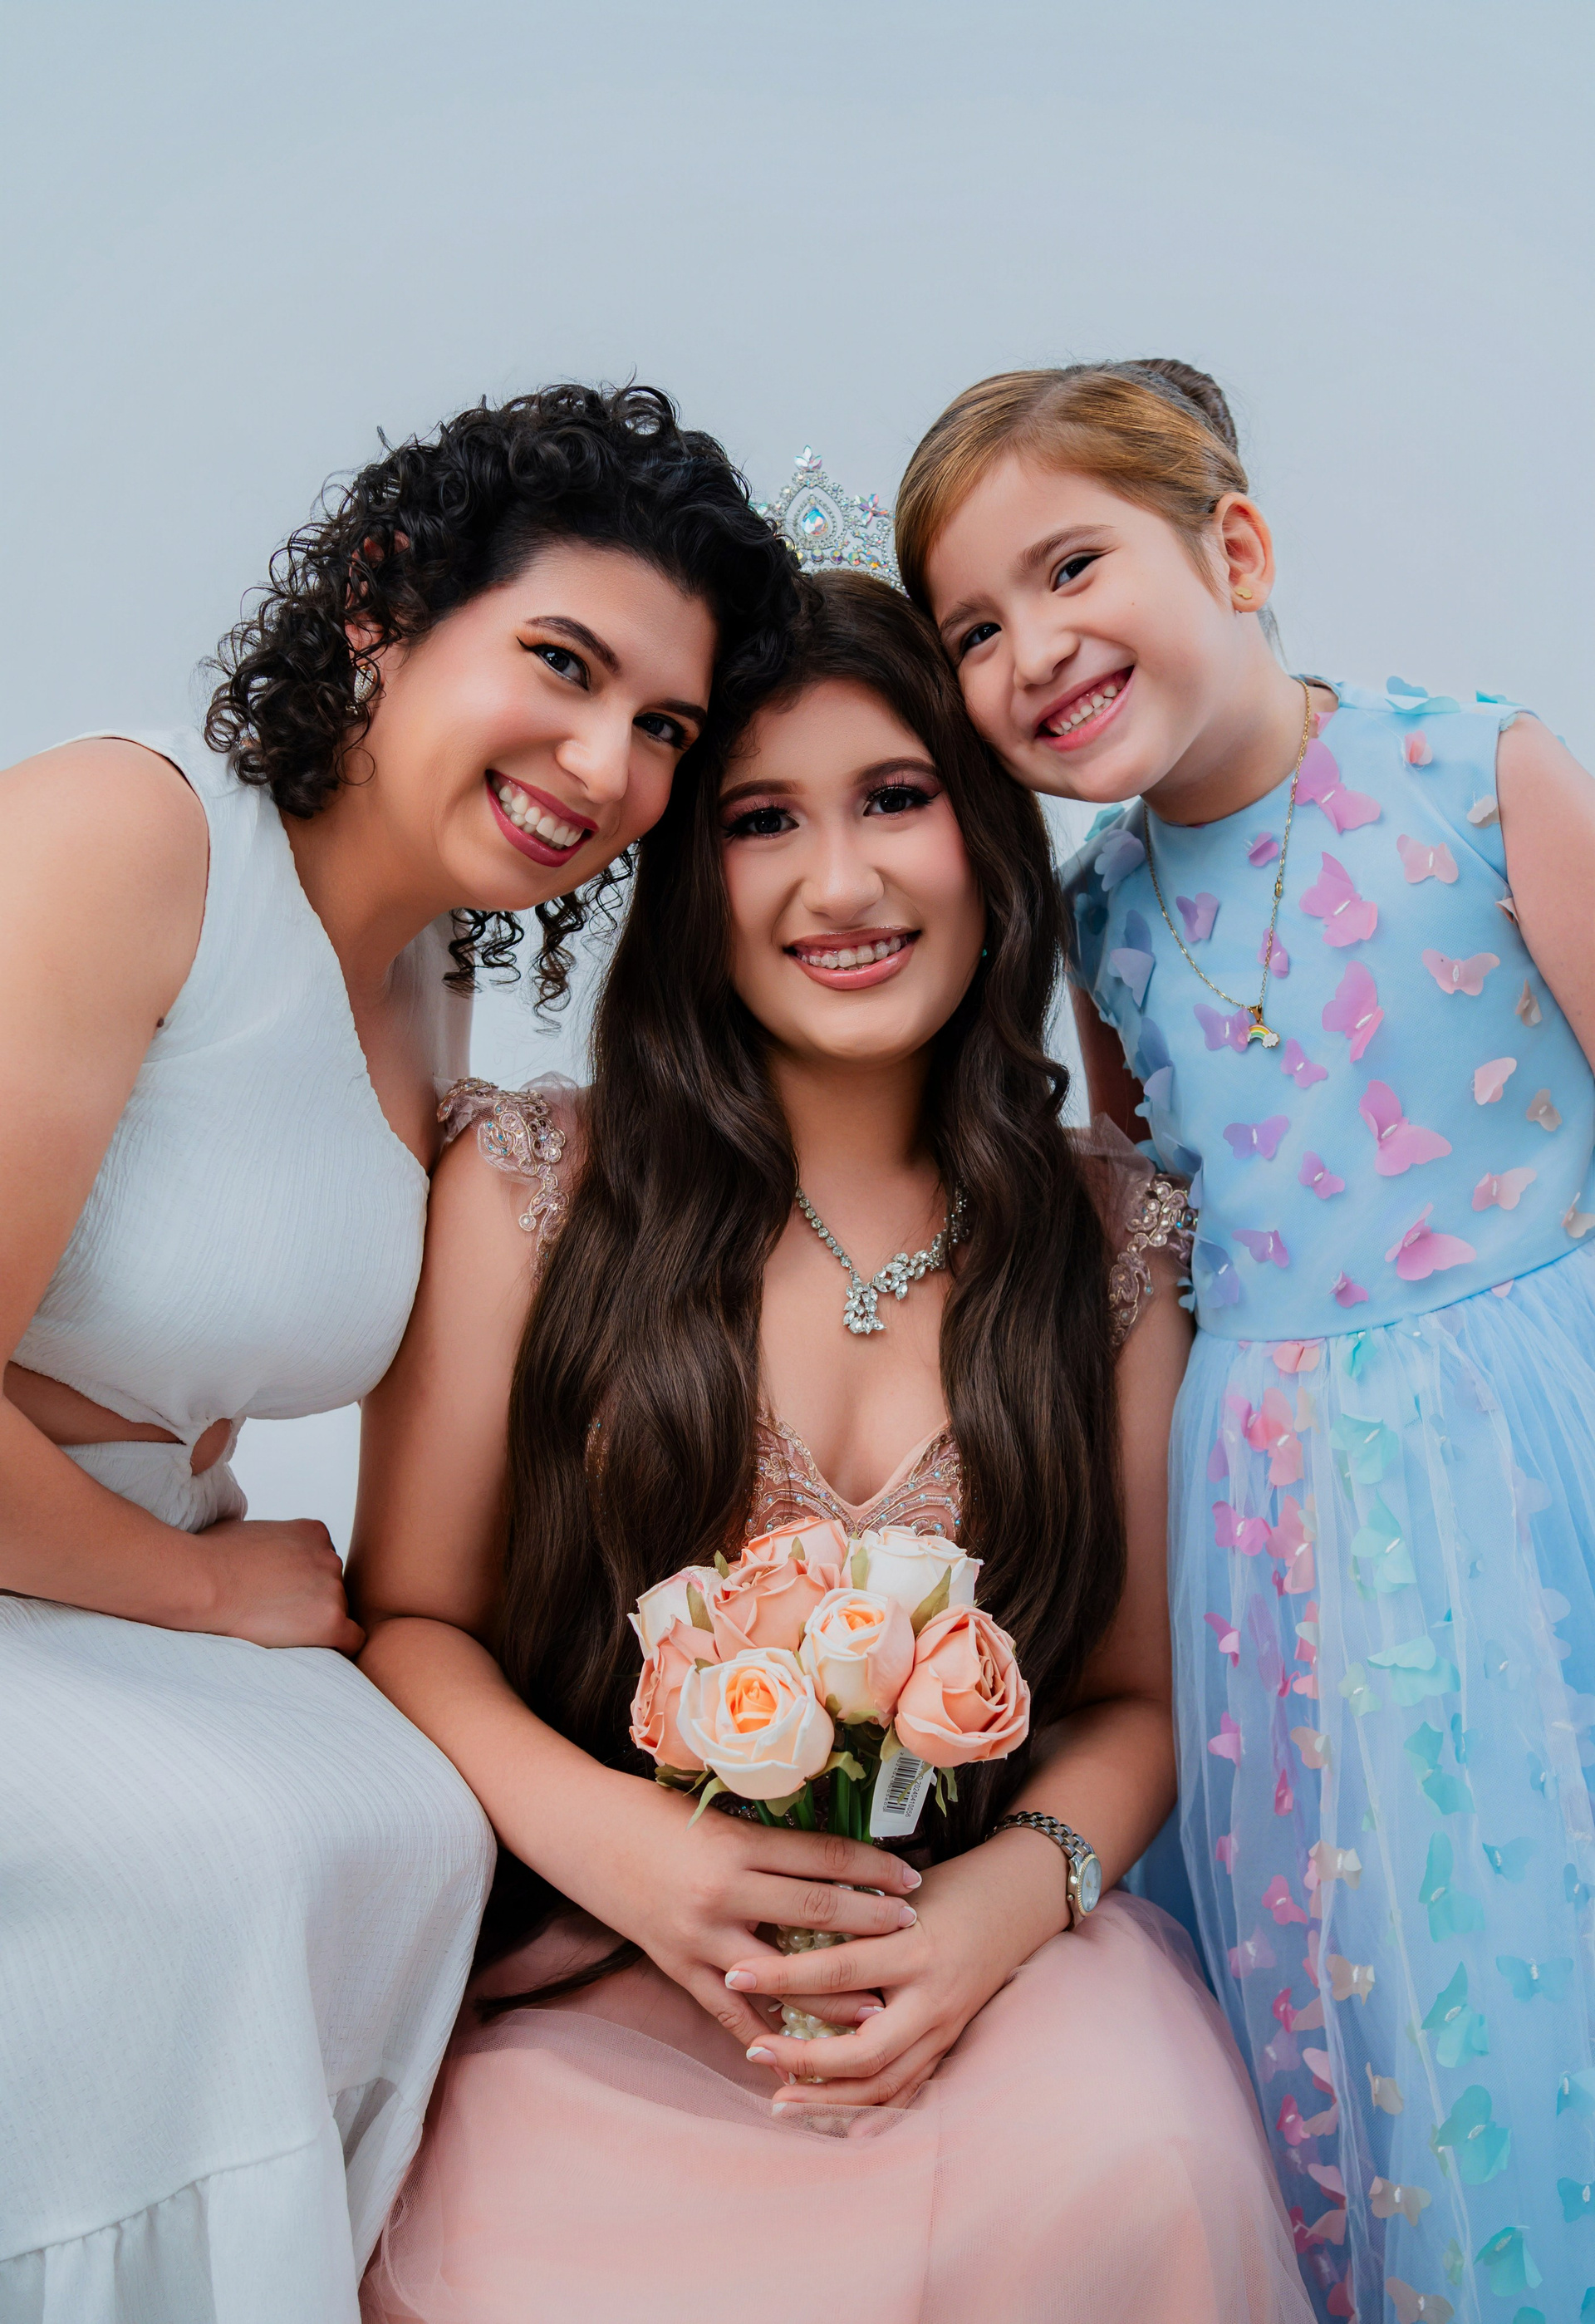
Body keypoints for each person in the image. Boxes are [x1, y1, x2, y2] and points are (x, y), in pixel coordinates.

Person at [352, 567, 1312, 2323]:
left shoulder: (1113, 1244)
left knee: (1139, 2160)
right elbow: (409, 1619)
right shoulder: (528, 1189)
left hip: (983, 1974)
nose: (843, 881)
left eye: (895, 797)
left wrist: (999, 1913)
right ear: (683, 870)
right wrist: (626, 1849)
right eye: (762, 819)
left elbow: (1138, 1699)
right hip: (608, 1967)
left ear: (989, 836)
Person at [0, 382, 795, 2323]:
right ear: (381, 600)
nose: (605, 763)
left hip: (129, 1582)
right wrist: (206, 1586)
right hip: (74, 1577)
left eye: (666, 729)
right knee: (226, 1860)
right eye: (563, 663)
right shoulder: (131, 835)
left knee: (424, 1831)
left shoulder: (423, 983)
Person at [896, 358, 1595, 2322]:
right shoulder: (1104, 922)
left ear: (1239, 549)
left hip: (1536, 1442)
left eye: (1070, 568)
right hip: (1291, 1528)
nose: (1033, 647)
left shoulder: (1481, 772)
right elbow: (1169, 1243)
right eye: (973, 628)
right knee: (1397, 1977)